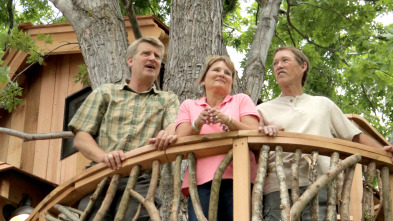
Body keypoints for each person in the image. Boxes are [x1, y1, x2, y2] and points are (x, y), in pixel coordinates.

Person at [257, 46, 393, 220]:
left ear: (303, 66)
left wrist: (384, 152)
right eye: (275, 63)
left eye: (285, 60)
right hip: (276, 189)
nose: (279, 66)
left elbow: (355, 136)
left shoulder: (323, 104)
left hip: (318, 185)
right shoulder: (262, 109)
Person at [68, 36, 180, 220]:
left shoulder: (168, 99)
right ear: (130, 61)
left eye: (157, 56)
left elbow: (173, 124)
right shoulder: (106, 92)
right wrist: (104, 157)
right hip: (99, 175)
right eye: (146, 53)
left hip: (141, 179)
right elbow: (81, 137)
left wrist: (168, 133)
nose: (153, 58)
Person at [175, 55, 277, 221]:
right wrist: (198, 123)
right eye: (216, 70)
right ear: (203, 80)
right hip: (200, 181)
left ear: (231, 83)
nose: (222, 74)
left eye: (227, 73)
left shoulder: (241, 100)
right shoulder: (189, 105)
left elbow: (253, 131)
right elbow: (180, 138)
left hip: (239, 178)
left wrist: (228, 120)